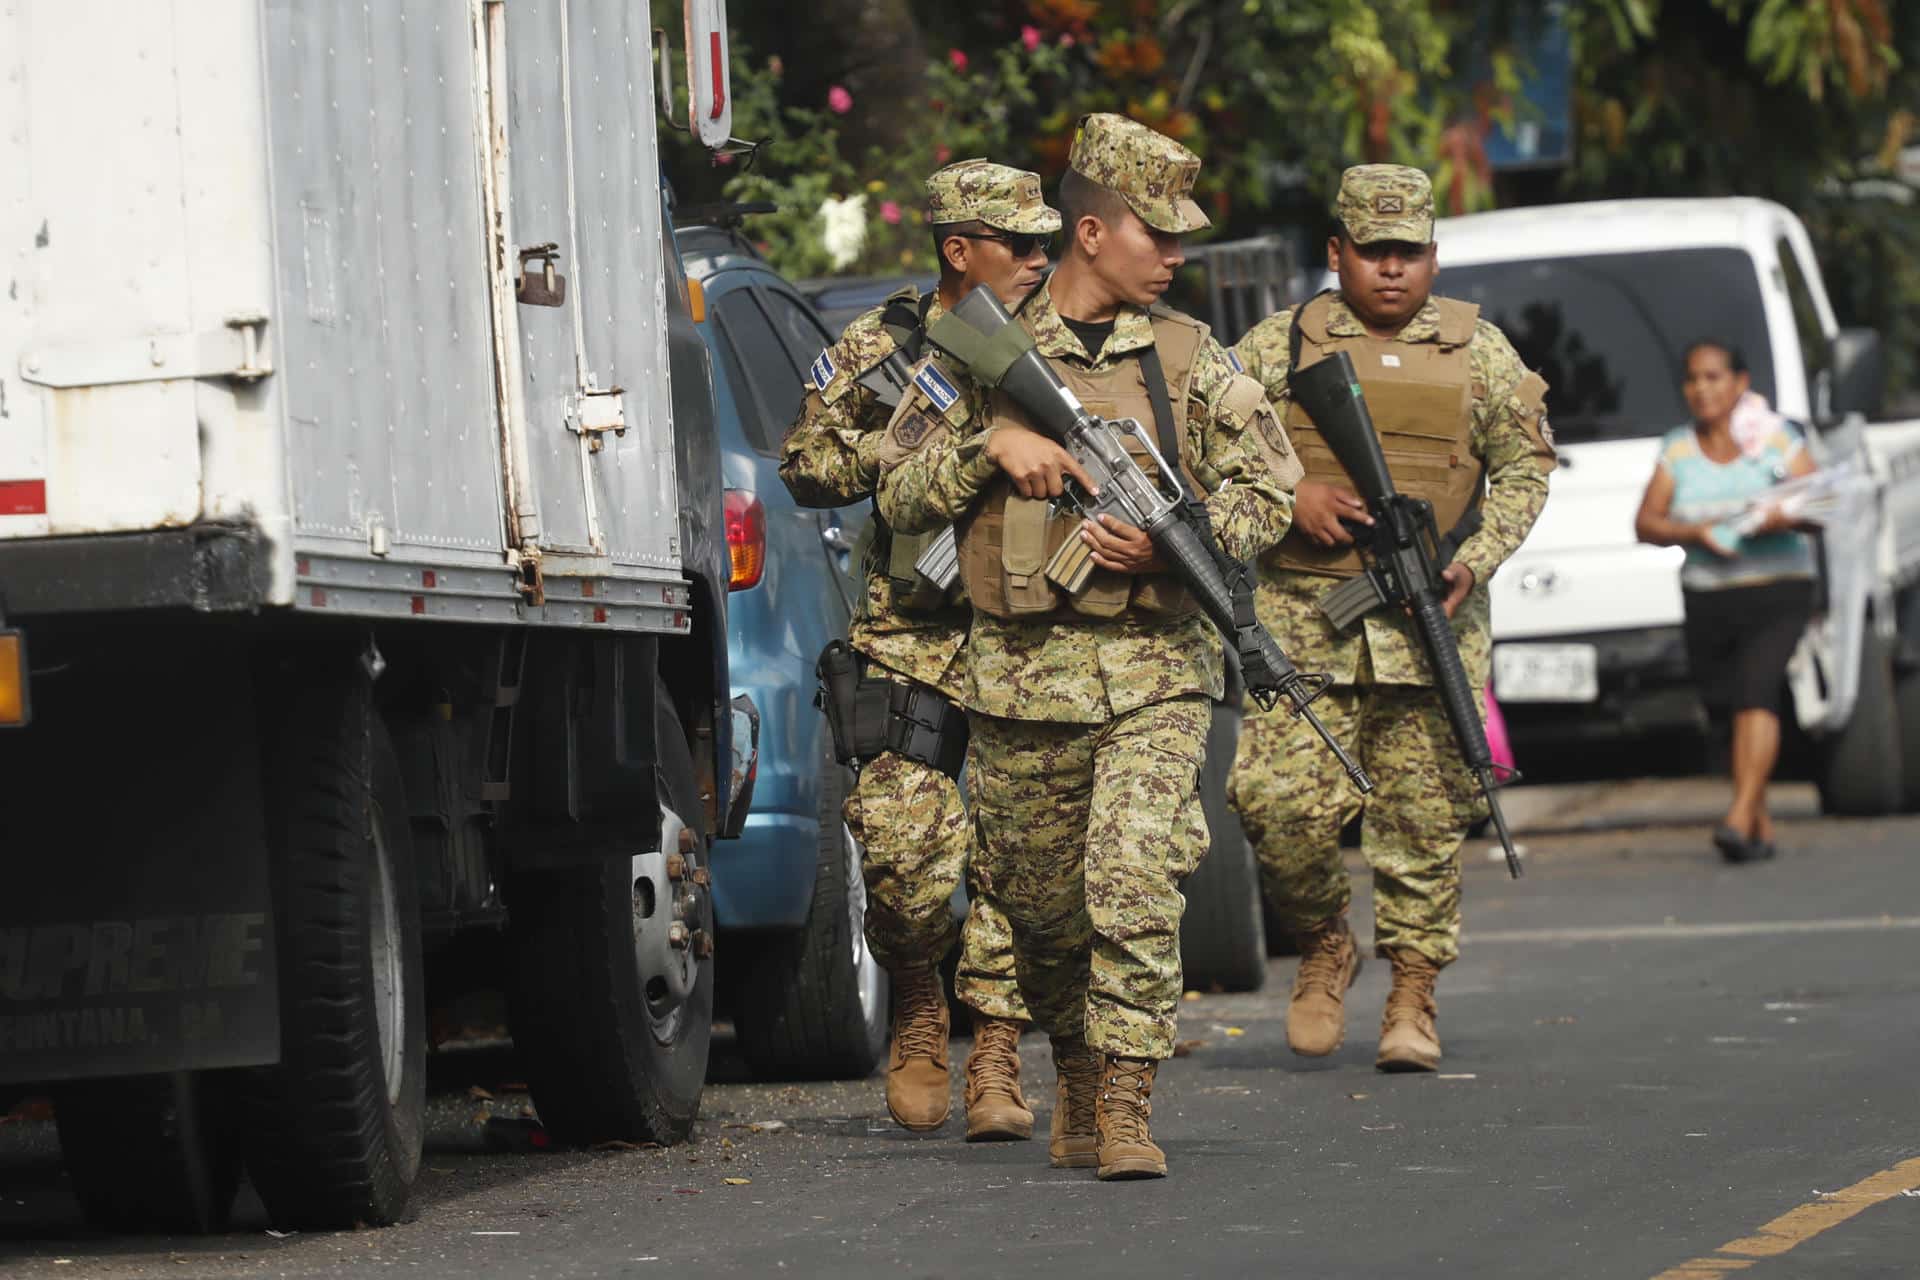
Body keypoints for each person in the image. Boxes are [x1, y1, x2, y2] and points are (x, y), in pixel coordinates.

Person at [876, 114, 1299, 1180]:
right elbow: (895, 489)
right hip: (1019, 686)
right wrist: (991, 445)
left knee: (1135, 875)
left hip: (1156, 675)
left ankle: (1124, 1100)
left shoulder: (1193, 359)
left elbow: (1269, 492)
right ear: (1094, 231)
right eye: (1159, 232)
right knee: (1040, 909)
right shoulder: (982, 345)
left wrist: (1171, 543)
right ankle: (1071, 1056)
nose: (1176, 255)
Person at [1227, 164, 1554, 1073]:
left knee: (1422, 819)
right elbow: (1212, 450)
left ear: (1435, 257)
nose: (1392, 270)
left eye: (1409, 251)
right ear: (1337, 253)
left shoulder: (1479, 353)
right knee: (1275, 802)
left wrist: (1471, 561)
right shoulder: (1274, 348)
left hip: (1429, 624)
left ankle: (1413, 992)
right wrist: (1294, 496)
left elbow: (1526, 470)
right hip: (1305, 622)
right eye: (1372, 251)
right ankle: (1326, 941)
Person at [778, 159, 1061, 1139]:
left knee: (1021, 855)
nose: (1038, 257)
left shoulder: (1063, 341)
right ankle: (916, 988)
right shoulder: (884, 345)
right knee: (903, 856)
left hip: (1034, 628)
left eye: (1045, 242)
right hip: (915, 625)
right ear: (957, 249)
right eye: (1017, 243)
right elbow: (806, 464)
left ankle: (992, 1046)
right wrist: (901, 454)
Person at [1633, 341, 1818, 862]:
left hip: (1778, 589)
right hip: (1709, 596)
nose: (1702, 389)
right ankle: (1757, 824)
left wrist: (1783, 515)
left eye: (1714, 377)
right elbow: (1647, 522)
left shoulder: (1777, 440)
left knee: (1757, 690)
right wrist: (1696, 533)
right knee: (1725, 706)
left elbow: (1822, 505)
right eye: (1693, 379)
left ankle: (1737, 816)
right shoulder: (1678, 449)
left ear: (1741, 382)